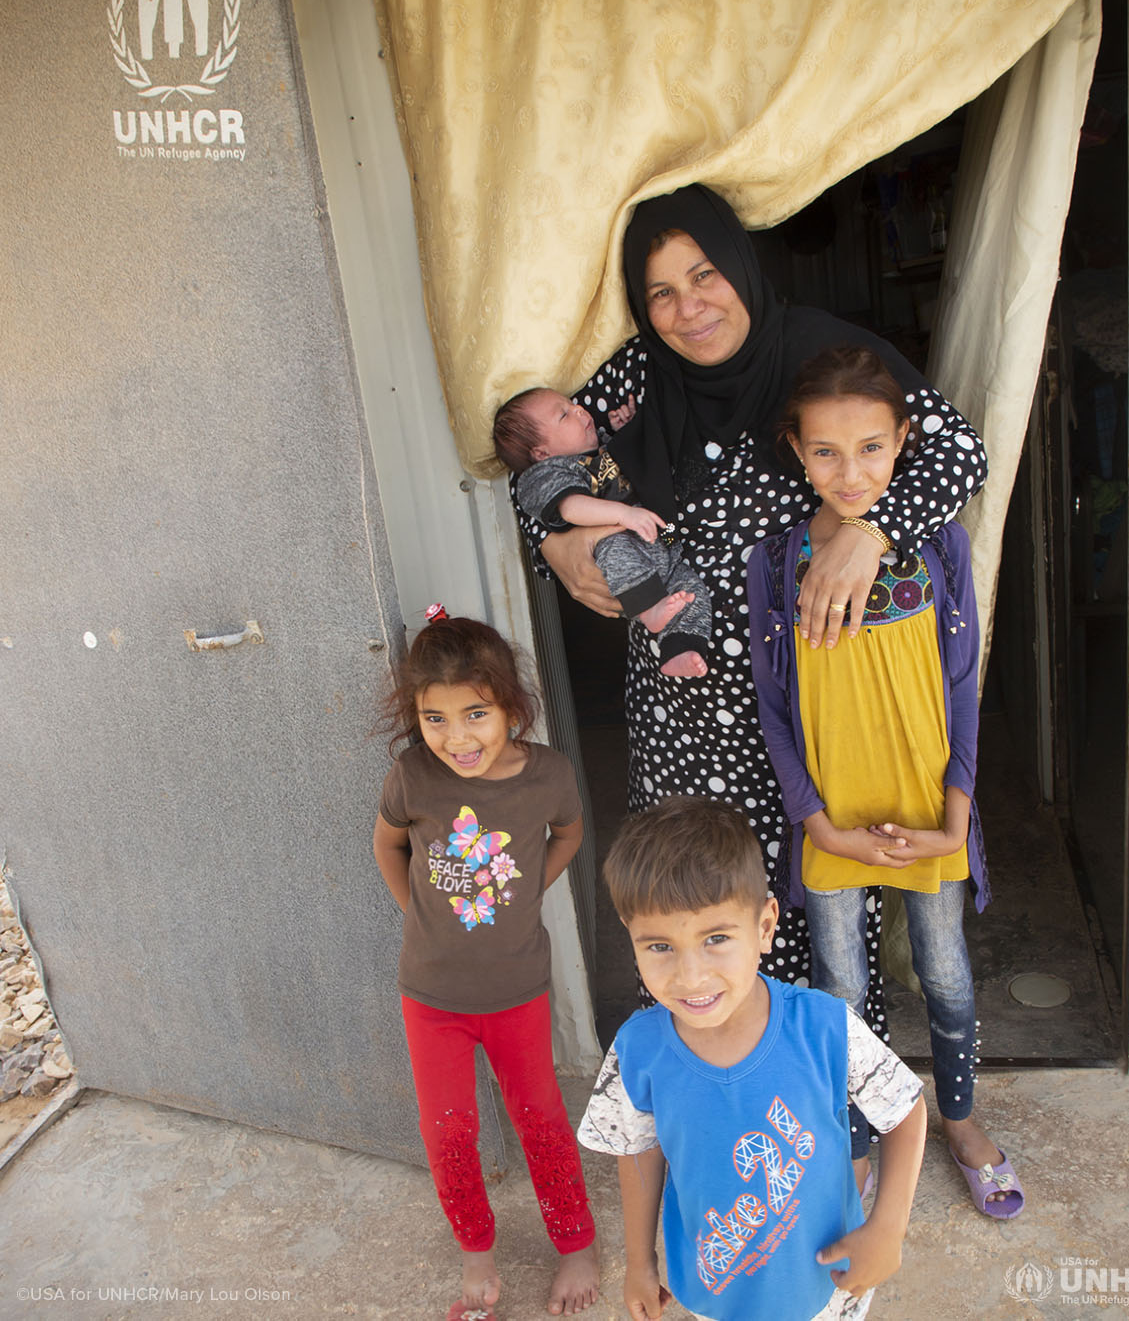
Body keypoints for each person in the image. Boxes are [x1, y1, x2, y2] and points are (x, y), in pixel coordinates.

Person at [512, 182, 987, 1010]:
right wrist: (556, 540)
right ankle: (716, 1101)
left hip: (804, 710)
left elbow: (957, 452)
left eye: (704, 275)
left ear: (739, 264)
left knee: (820, 928)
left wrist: (872, 532)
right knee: (694, 914)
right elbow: (540, 466)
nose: (687, 307)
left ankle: (825, 1106)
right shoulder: (636, 379)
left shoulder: (813, 355)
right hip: (681, 722)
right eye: (660, 291)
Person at [748, 346, 1023, 1220]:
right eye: (826, 450)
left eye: (872, 446)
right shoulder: (776, 561)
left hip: (927, 815)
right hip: (834, 823)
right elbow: (773, 710)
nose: (850, 470)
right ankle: (858, 1138)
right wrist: (815, 824)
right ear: (796, 449)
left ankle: (960, 1117)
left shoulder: (939, 543)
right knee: (840, 986)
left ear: (905, 439)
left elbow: (964, 687)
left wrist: (957, 818)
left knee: (945, 972)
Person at [578, 797, 927, 1321]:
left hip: (829, 1287)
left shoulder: (823, 1026)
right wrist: (639, 1262)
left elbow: (906, 1112)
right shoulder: (637, 1052)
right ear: (629, 934)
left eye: (716, 938)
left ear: (765, 927)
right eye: (658, 947)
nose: (690, 977)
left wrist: (888, 1228)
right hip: (712, 1293)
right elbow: (638, 1152)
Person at [372, 612, 600, 1319]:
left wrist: (533, 884)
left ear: (510, 705)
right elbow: (387, 846)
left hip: (517, 991)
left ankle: (576, 1244)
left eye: (476, 712)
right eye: (434, 717)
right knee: (448, 1131)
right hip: (431, 994)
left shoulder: (549, 775)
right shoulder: (412, 775)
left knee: (540, 1118)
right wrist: (417, 910)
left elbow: (570, 831)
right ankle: (476, 1253)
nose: (457, 736)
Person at [495, 386, 710, 676]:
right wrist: (624, 514)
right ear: (541, 452)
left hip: (662, 540)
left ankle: (680, 650)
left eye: (573, 405)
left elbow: (636, 462)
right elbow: (571, 508)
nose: (580, 410)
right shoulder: (546, 474)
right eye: (564, 415)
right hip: (622, 558)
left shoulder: (602, 449)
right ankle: (649, 611)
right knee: (613, 547)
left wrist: (628, 432)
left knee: (691, 590)